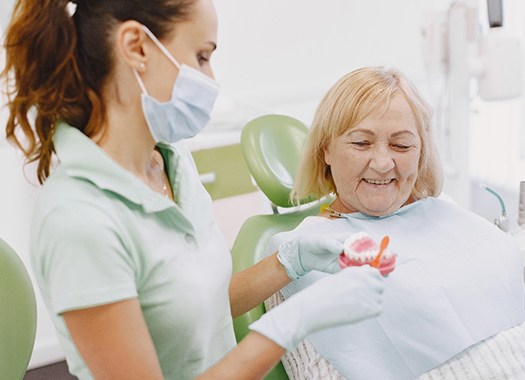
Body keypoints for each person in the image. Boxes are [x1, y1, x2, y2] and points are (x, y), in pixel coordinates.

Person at [1, 1, 387, 379]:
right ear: (137, 47)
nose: (212, 79)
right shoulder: (79, 220)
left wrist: (290, 261)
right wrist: (292, 322)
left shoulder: (172, 163)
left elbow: (196, 309)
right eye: (202, 57)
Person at [263, 66, 525, 380]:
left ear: (421, 152)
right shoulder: (299, 257)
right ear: (326, 150)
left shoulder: (446, 210)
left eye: (401, 145)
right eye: (361, 143)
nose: (384, 163)